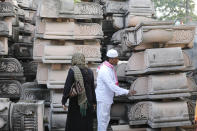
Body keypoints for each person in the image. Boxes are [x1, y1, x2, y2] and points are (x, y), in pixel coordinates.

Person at [96, 49, 136, 131]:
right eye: (116, 58)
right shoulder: (104, 70)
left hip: (106, 98)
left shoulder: (108, 66)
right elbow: (112, 86)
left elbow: (120, 62)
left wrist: (128, 62)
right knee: (103, 120)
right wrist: (127, 91)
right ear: (111, 59)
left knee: (105, 119)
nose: (117, 60)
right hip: (103, 98)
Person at [62, 53, 96, 131]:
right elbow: (92, 88)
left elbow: (67, 87)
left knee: (75, 123)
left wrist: (64, 101)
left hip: (76, 102)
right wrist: (94, 102)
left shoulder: (72, 70)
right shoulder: (90, 71)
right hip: (88, 102)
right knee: (86, 123)